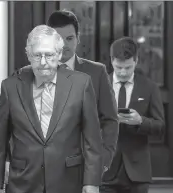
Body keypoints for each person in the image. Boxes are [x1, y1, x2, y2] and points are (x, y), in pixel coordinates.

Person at [0, 25, 103, 193]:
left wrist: (92, 182)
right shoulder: (10, 87)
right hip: (23, 185)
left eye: (49, 55)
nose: (42, 62)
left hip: (67, 184)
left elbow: (92, 139)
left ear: (58, 55)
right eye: (37, 55)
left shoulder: (81, 84)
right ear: (28, 55)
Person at [14, 10, 119, 175]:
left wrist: (103, 160)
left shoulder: (96, 73)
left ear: (78, 38)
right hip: (37, 172)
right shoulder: (27, 75)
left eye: (69, 38)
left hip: (83, 171)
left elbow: (110, 120)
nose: (64, 45)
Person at [94, 37, 165, 193]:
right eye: (118, 67)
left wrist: (140, 121)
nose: (123, 72)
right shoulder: (98, 85)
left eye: (128, 67)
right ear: (111, 61)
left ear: (136, 61)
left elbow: (160, 126)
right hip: (103, 169)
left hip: (137, 170)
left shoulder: (149, 87)